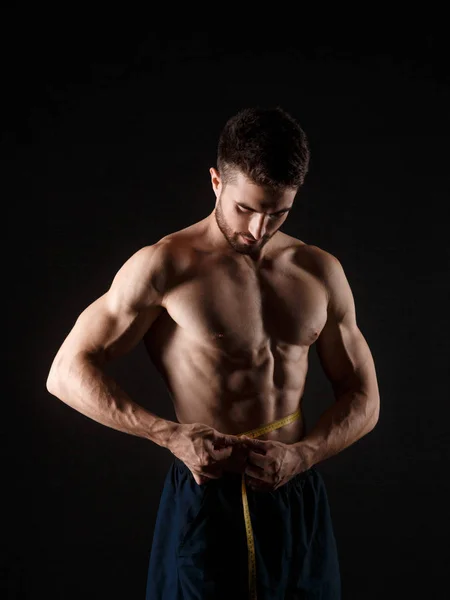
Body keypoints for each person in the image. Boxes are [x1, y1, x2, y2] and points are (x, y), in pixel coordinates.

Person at [46, 105, 380, 600]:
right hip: (208, 497)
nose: (259, 228)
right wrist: (168, 435)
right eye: (246, 208)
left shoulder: (319, 271)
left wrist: (304, 455)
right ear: (216, 182)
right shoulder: (165, 266)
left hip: (294, 489)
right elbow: (65, 372)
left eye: (279, 211)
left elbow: (363, 396)